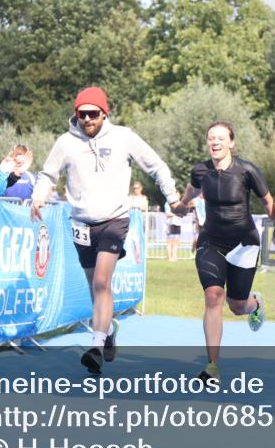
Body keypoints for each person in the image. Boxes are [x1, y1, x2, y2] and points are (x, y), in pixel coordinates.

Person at [30, 86, 180, 374]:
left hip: (114, 220)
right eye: (82, 114)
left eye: (93, 114)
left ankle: (96, 347)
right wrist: (38, 195)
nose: (87, 119)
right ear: (75, 115)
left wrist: (171, 195)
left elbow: (156, 165)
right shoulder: (65, 143)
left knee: (101, 281)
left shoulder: (123, 137)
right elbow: (48, 174)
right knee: (94, 287)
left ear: (104, 113)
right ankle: (108, 329)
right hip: (82, 224)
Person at [171, 121, 275, 383]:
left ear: (231, 143)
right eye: (211, 138)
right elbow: (192, 192)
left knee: (237, 306)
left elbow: (269, 202)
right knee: (213, 296)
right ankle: (212, 367)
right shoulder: (200, 171)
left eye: (220, 138)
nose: (215, 142)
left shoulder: (247, 170)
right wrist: (181, 205)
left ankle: (255, 303)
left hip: (244, 242)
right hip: (211, 241)